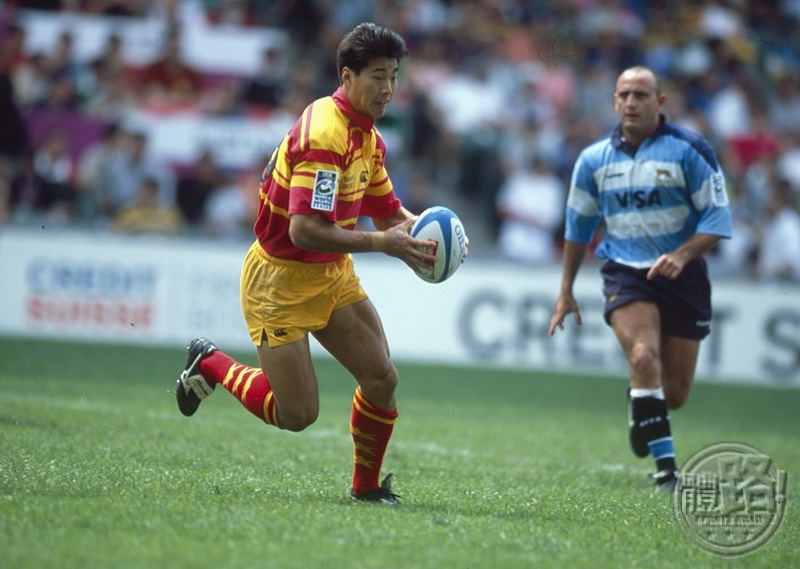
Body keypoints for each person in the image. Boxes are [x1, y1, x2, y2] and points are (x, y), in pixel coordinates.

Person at [173, 22, 459, 504]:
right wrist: (386, 245)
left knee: (381, 377)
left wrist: (432, 235)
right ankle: (212, 363)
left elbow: (390, 213)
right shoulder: (325, 134)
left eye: (393, 76)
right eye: (376, 76)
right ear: (347, 77)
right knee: (297, 414)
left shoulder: (367, 137)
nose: (388, 89)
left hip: (330, 272)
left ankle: (366, 488)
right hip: (280, 281)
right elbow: (303, 230)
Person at [547, 66, 732, 491]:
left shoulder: (691, 150)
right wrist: (565, 292)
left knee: (676, 393)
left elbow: (718, 218)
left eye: (641, 95)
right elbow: (577, 230)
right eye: (624, 94)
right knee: (643, 356)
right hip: (625, 273)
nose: (631, 102)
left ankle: (640, 405)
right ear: (614, 101)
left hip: (683, 276)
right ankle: (667, 469)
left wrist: (682, 254)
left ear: (659, 102)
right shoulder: (593, 160)